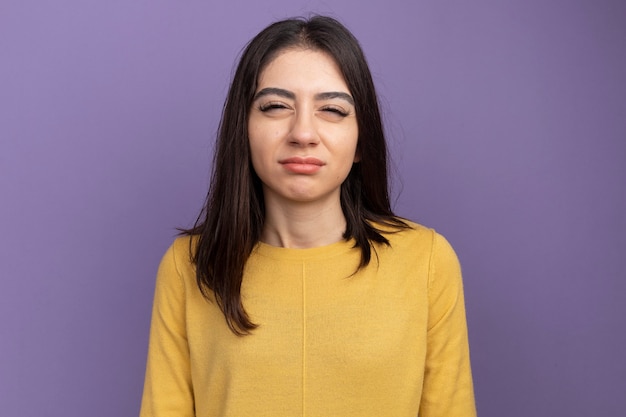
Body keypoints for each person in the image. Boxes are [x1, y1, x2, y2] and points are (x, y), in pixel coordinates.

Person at [140, 15, 476, 417]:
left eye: (332, 110)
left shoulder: (427, 262)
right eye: (276, 106)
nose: (303, 132)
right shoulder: (189, 266)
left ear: (361, 141)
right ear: (242, 130)